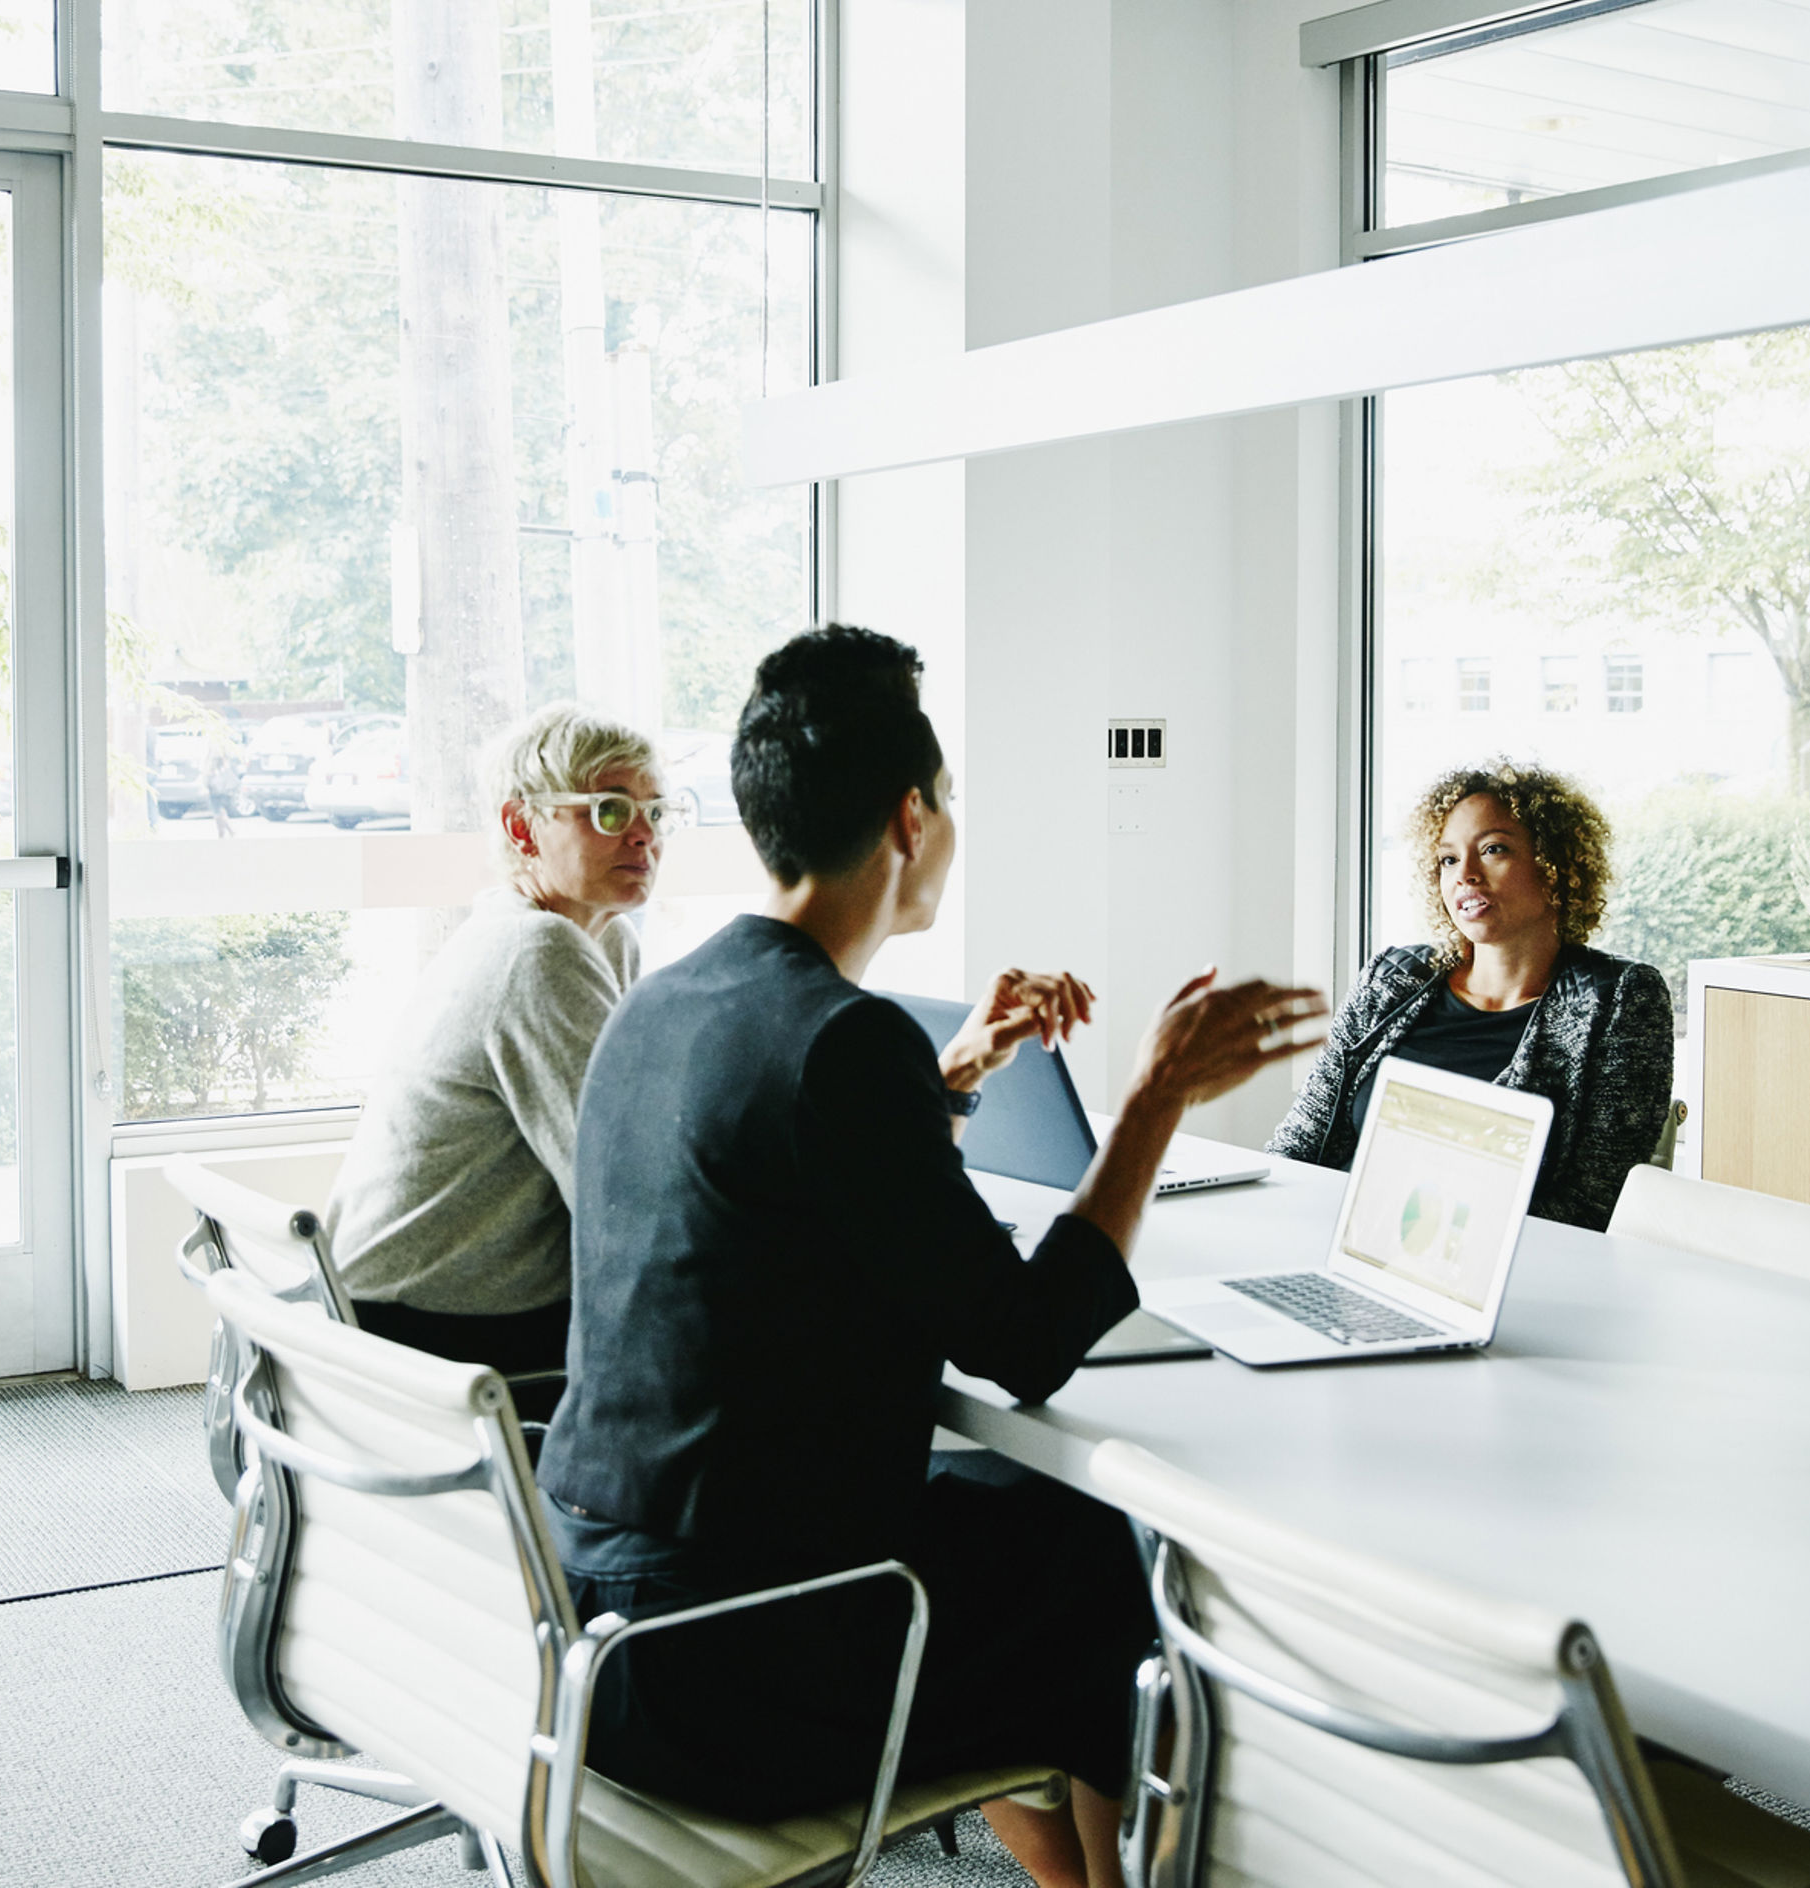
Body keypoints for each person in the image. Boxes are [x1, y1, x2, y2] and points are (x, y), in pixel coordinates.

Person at [539, 626, 1325, 1888]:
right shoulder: (841, 1040)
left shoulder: (672, 997)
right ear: (912, 818)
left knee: (1035, 1531)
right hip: (731, 1664)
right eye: (949, 801)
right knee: (1102, 1558)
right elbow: (1026, 1340)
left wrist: (951, 1079)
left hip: (594, 1624)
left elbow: (806, 1192)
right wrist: (1152, 1103)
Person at [323, 704, 672, 1392]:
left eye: (657, 814)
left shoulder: (595, 938)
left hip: (400, 1306)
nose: (644, 837)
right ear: (522, 826)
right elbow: (619, 1189)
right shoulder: (537, 952)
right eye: (608, 811)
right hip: (422, 1332)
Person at [1269, 760, 1674, 1229]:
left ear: (1555, 867)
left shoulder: (1620, 1000)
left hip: (1497, 1279)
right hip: (1332, 1238)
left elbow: (1594, 1204)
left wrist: (1424, 1239)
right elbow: (1300, 1144)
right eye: (1448, 859)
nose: (1465, 874)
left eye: (1493, 849)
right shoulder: (1392, 979)